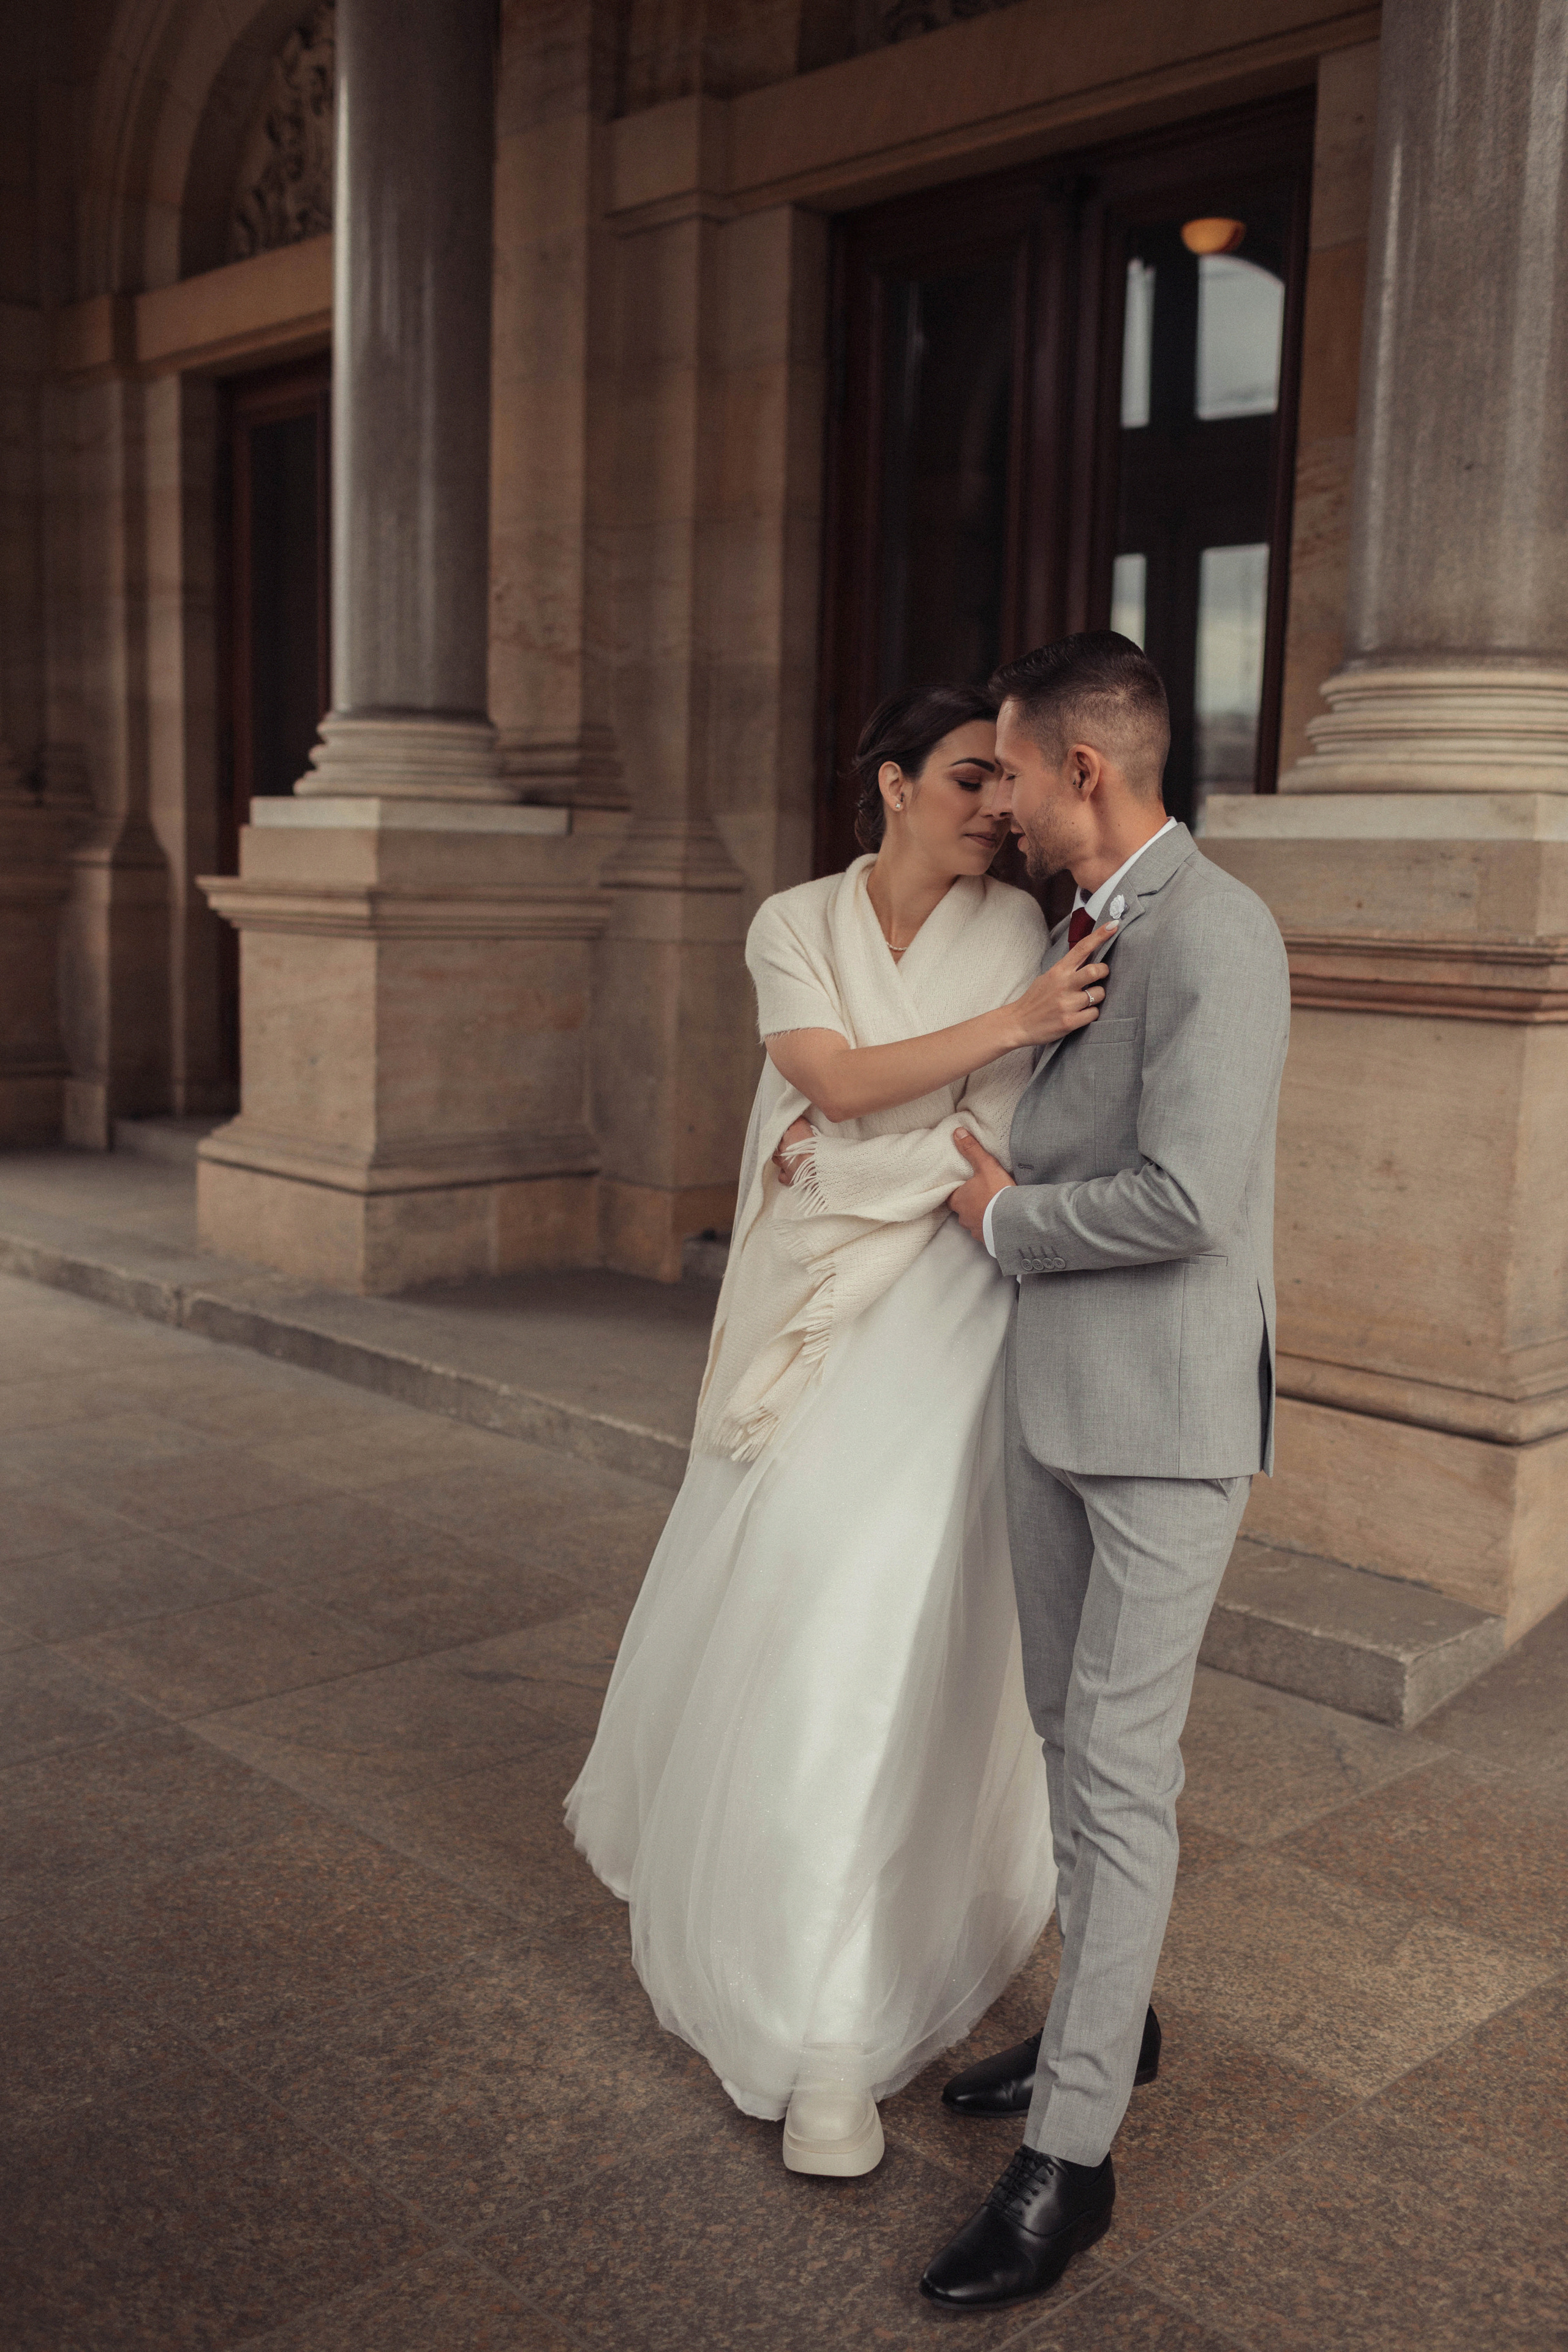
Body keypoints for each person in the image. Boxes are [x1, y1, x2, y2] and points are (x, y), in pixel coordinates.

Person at [565, 680, 1116, 2177]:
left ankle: (832, 2035)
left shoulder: (1023, 928)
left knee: (882, 1620)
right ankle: (781, 1960)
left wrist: (865, 1152)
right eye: (966, 778)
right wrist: (974, 1052)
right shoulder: (792, 921)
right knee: (789, 1584)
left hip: (949, 1311)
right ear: (886, 783)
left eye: (1009, 784)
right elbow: (818, 1081)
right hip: (812, 1309)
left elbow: (989, 1147)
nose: (999, 807)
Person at [919, 633, 1291, 2310]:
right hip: (1051, 1403)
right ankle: (1109, 2022)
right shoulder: (1083, 923)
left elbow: (1188, 1201)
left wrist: (999, 1215)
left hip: (1165, 1429)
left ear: (1090, 767)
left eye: (1012, 769)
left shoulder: (1218, 931)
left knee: (1123, 1776)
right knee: (1068, 1739)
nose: (999, 799)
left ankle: (1068, 2163)